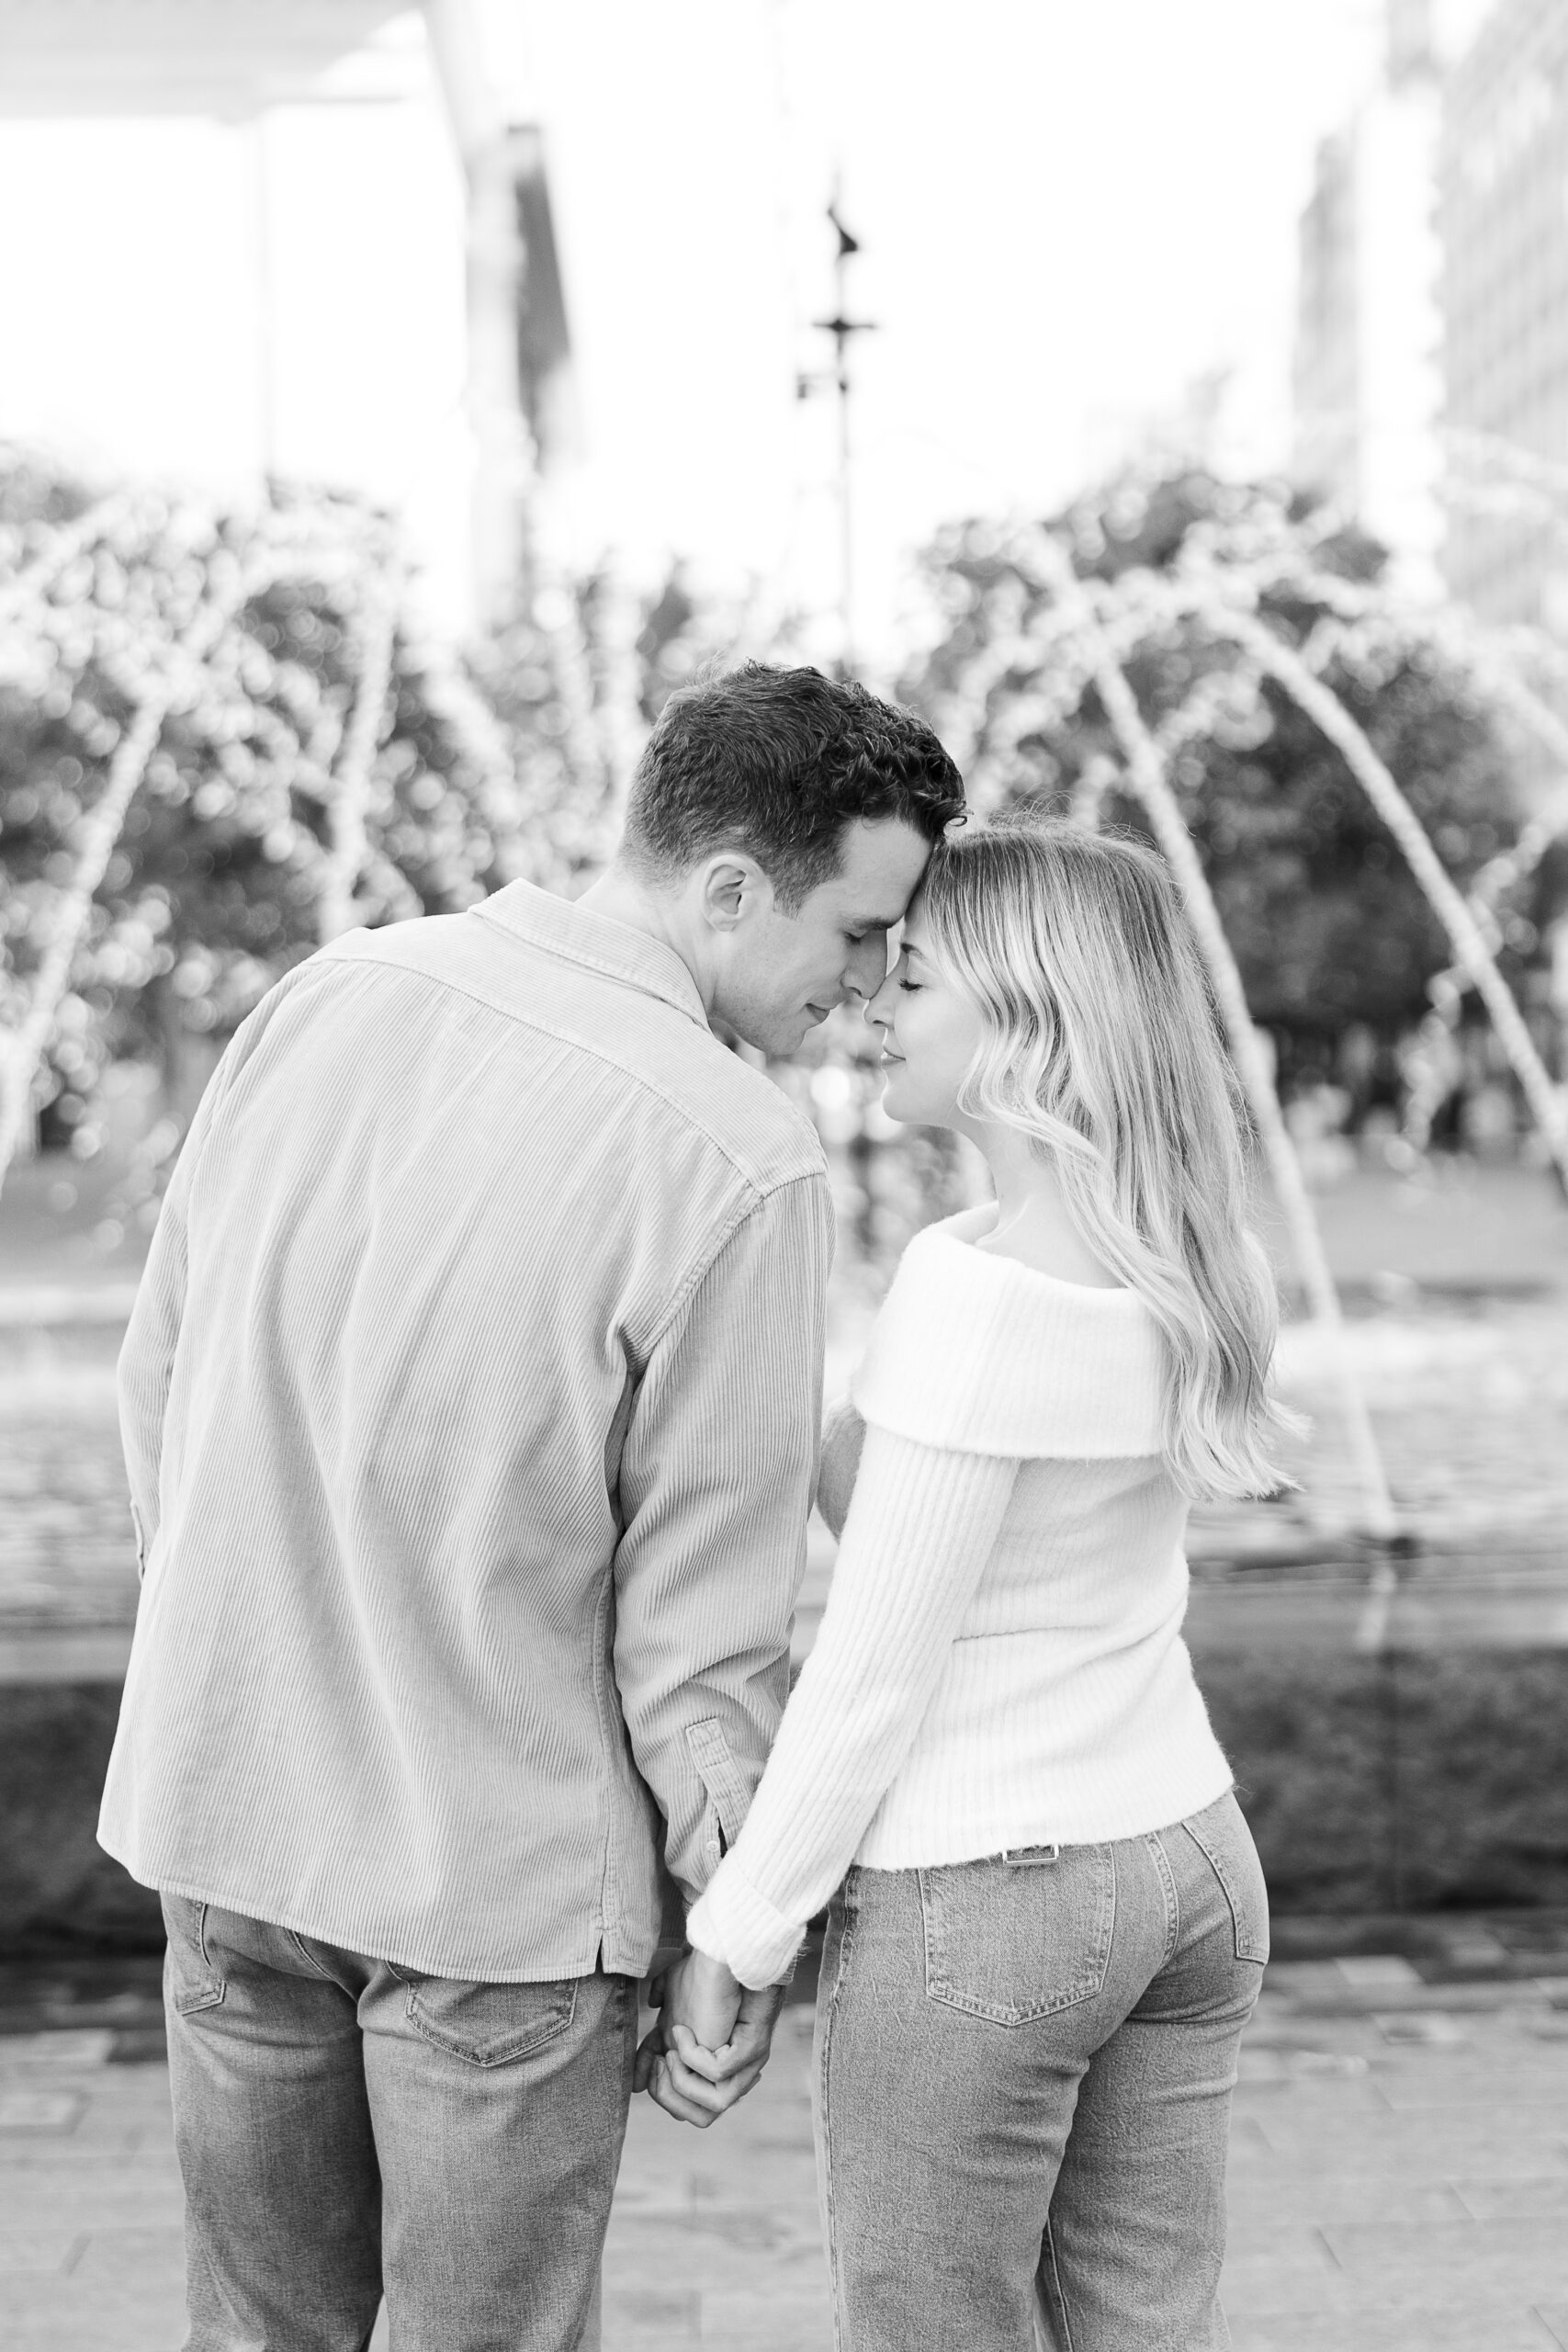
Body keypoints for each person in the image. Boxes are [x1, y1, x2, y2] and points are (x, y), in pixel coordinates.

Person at [98, 662, 964, 2352]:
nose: (869, 988)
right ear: (727, 888)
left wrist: (246, 1648)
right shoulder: (740, 1153)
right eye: (858, 934)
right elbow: (700, 1645)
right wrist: (740, 1932)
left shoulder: (334, 989)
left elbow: (163, 1384)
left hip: (227, 1831)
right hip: (492, 1903)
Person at [668, 818, 1292, 2351]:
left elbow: (871, 1677)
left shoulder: (977, 1297)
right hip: (1184, 1864)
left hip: (987, 1902)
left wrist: (737, 1933)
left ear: (1029, 1029)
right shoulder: (1176, 1258)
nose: (875, 1006)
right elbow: (925, 1519)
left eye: (919, 980)